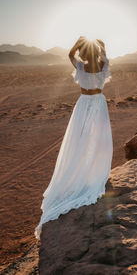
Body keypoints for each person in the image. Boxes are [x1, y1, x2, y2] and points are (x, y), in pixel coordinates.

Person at [34, 36, 113, 241]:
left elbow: (70, 54)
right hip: (97, 102)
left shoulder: (80, 65)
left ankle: (83, 173)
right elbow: (104, 56)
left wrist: (79, 43)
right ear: (97, 52)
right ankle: (91, 173)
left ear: (83, 53)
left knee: (81, 139)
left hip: (84, 102)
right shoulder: (103, 63)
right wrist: (101, 46)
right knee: (97, 139)